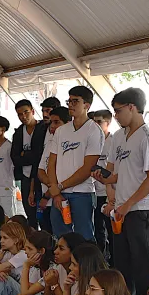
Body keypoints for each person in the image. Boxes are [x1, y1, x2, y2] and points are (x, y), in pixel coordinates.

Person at [101, 87, 149, 295]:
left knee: (142, 265)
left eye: (118, 111)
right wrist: (105, 181)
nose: (115, 116)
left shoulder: (148, 137)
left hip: (140, 210)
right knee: (122, 265)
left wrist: (127, 204)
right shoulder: (118, 137)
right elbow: (116, 174)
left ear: (132, 107)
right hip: (120, 210)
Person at [48, 86, 103, 240]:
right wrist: (56, 191)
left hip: (82, 193)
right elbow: (51, 163)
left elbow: (88, 168)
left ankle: (88, 265)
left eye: (75, 101)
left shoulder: (94, 131)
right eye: (69, 101)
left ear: (87, 105)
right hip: (59, 193)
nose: (70, 104)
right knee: (61, 238)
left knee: (83, 238)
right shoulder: (61, 131)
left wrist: (59, 187)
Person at [12, 99, 50, 229]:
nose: (23, 117)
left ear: (32, 111)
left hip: (41, 176)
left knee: (44, 214)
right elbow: (15, 158)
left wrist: (25, 154)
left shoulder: (43, 128)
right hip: (25, 177)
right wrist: (30, 155)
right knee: (29, 212)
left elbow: (39, 155)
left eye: (26, 112)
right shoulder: (18, 133)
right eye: (19, 114)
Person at [33, 106, 71, 234]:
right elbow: (41, 170)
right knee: (50, 233)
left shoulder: (71, 144)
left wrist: (50, 193)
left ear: (68, 123)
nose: (52, 126)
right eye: (51, 123)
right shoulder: (50, 142)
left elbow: (64, 175)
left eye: (56, 122)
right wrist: (51, 188)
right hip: (51, 195)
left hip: (62, 196)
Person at [91, 109, 115, 261]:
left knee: (111, 229)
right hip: (94, 190)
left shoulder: (113, 142)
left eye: (99, 122)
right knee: (97, 226)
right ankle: (100, 257)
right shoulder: (92, 140)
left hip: (110, 192)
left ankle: (113, 258)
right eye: (94, 121)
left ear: (108, 123)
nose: (96, 125)